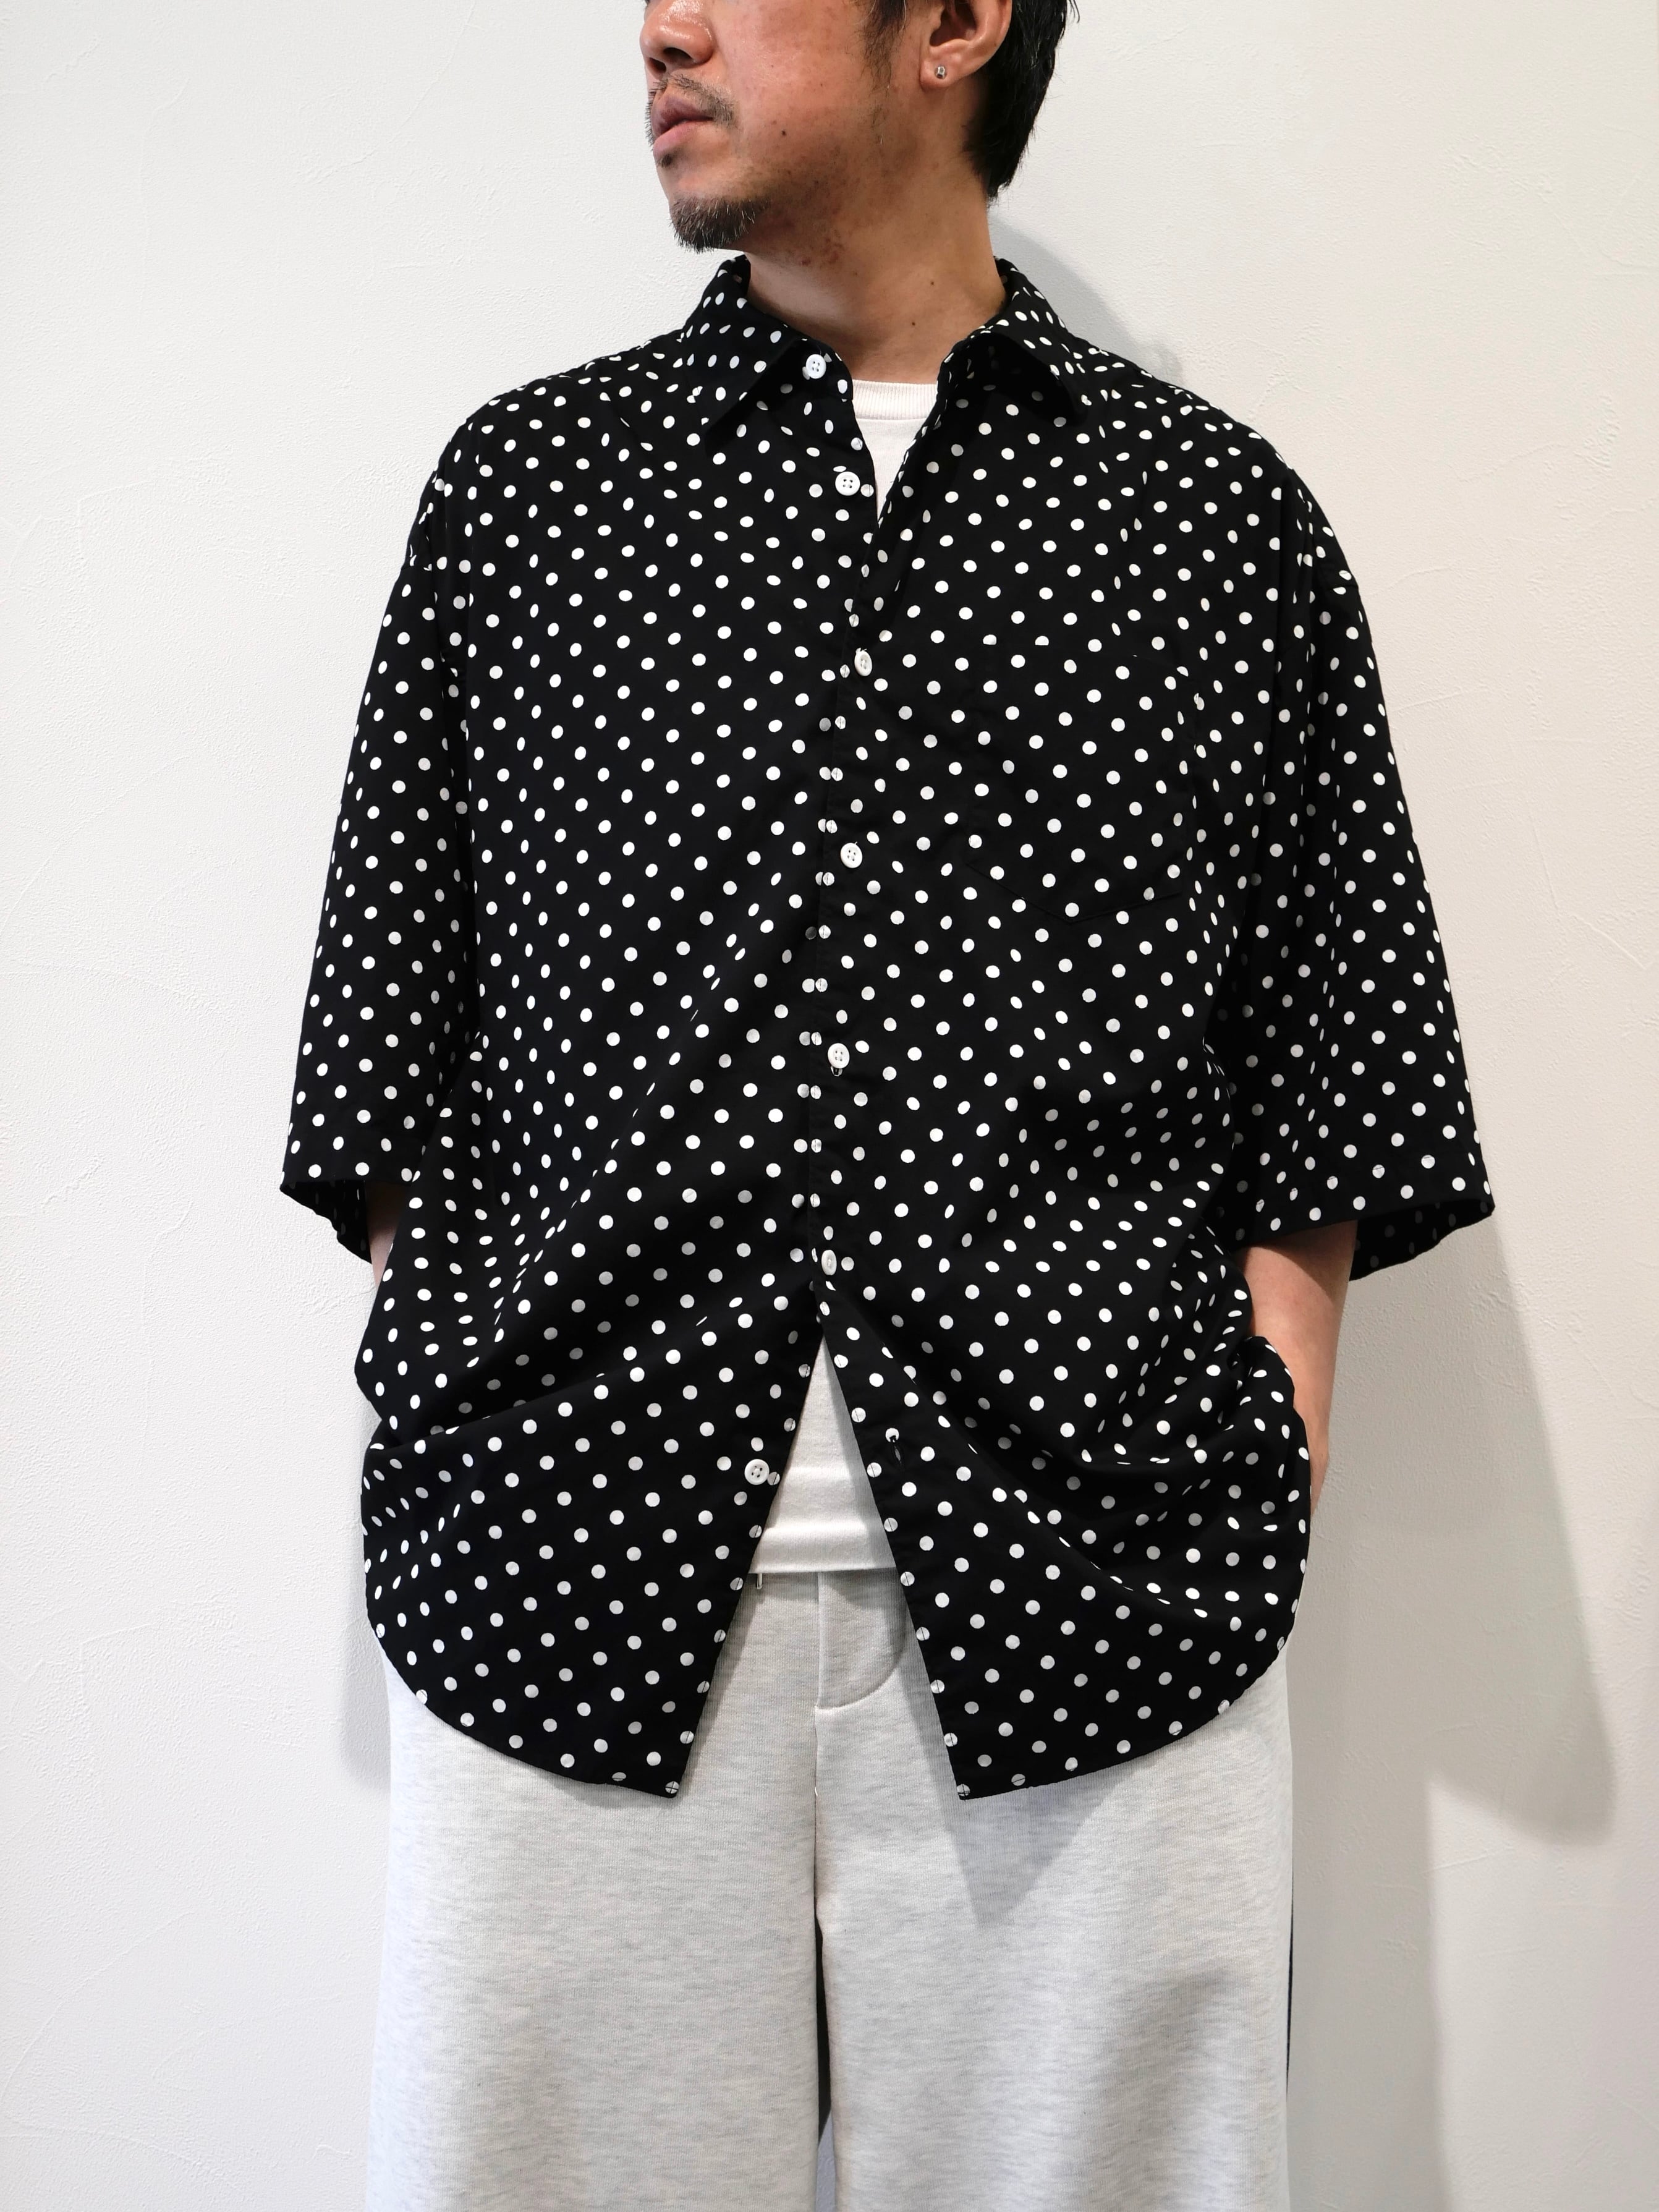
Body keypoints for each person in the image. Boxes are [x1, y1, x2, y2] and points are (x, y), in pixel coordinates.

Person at [281, 2, 1492, 2205]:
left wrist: (1248, 1471)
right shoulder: (530, 501)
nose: (660, 25)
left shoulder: (1210, 530)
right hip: (566, 1590)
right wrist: (489, 1412)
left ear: (952, 23)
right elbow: (388, 1043)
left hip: (1106, 1617)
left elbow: (1330, 1077)